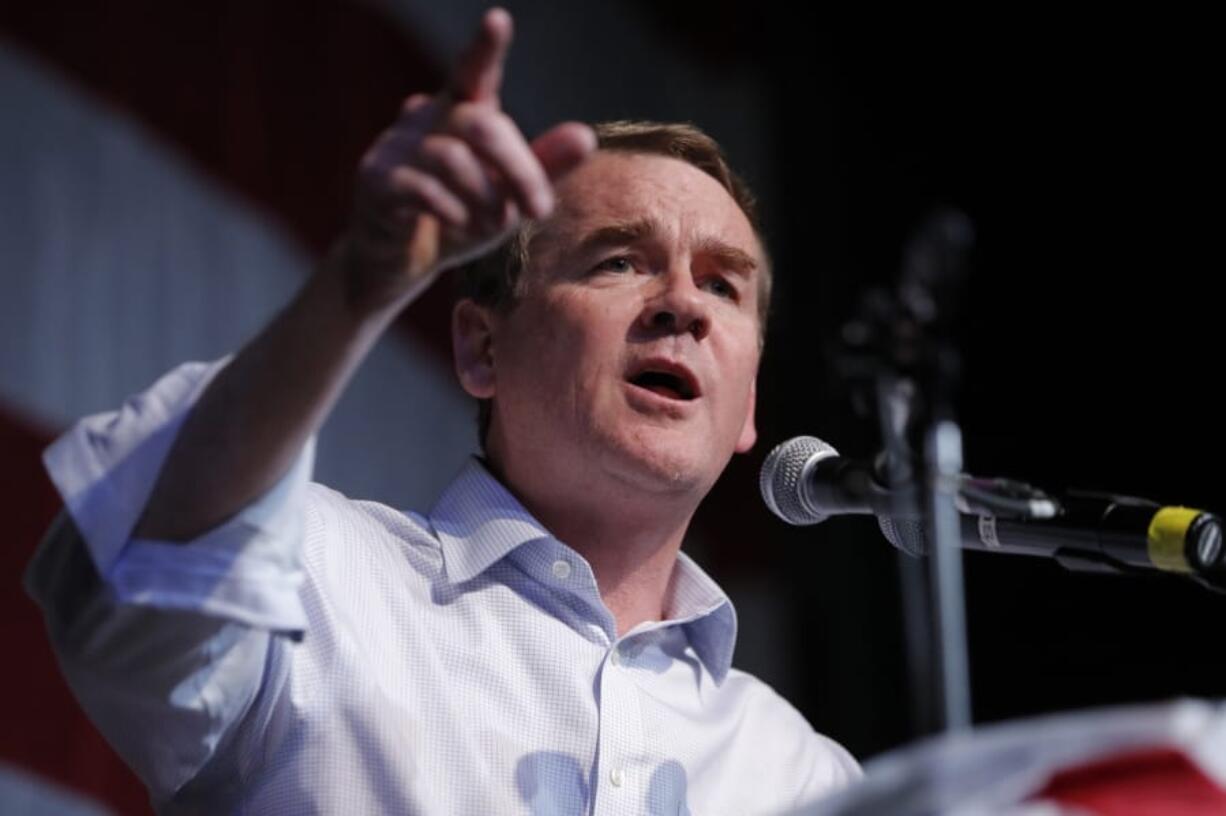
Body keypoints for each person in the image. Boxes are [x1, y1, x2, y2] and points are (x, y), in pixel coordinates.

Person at [26, 8, 861, 813]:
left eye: (723, 284)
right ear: (480, 348)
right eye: (617, 262)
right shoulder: (314, 582)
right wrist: (363, 281)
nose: (684, 303)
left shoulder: (801, 775)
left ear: (749, 402)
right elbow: (137, 582)